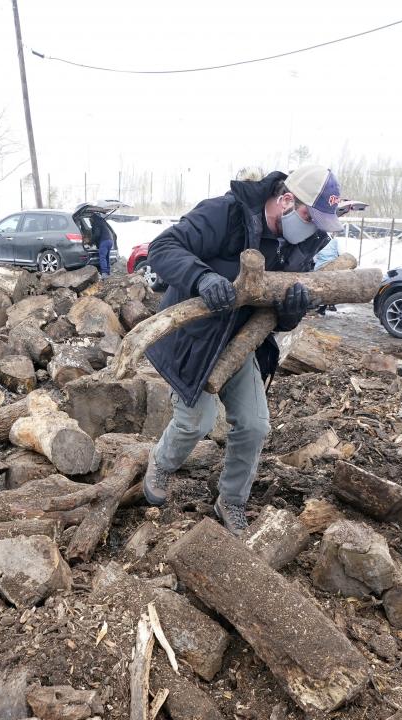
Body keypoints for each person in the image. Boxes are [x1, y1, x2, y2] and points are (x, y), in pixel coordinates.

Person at [142, 165, 342, 535]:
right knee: (195, 422)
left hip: (241, 342)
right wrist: (201, 277)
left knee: (254, 425)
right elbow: (163, 248)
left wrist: (290, 311)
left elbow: (277, 321)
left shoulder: (302, 246)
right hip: (193, 336)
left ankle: (231, 500)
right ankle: (162, 463)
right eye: (308, 217)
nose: (313, 229)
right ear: (286, 200)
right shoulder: (228, 213)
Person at [90, 211, 116, 277]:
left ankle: (104, 273)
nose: (90, 221)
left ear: (92, 218)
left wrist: (91, 242)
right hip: (110, 241)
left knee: (102, 257)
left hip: (104, 241)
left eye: (90, 219)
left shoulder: (96, 223)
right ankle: (108, 272)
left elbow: (97, 235)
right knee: (107, 257)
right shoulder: (101, 221)